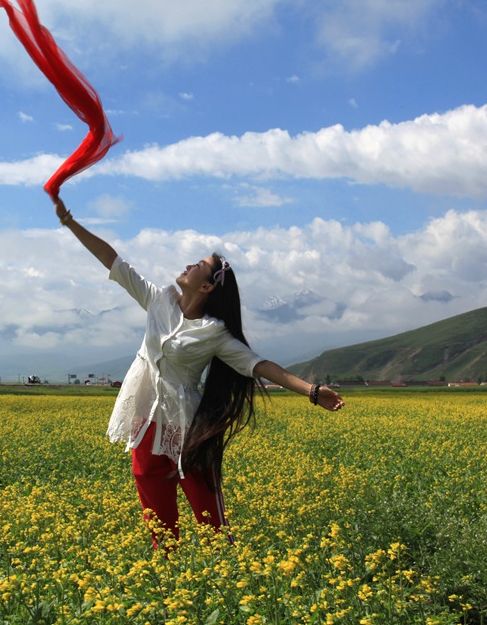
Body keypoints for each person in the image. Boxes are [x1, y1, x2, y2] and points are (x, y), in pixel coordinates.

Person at [54, 197, 344, 547]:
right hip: (147, 421)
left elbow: (259, 365)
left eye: (198, 266)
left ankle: (229, 575)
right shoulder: (158, 300)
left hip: (191, 432)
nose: (188, 265)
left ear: (206, 287)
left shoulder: (215, 332)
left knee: (213, 526)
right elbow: (113, 261)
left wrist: (312, 391)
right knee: (160, 529)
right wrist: (70, 222)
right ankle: (167, 580)